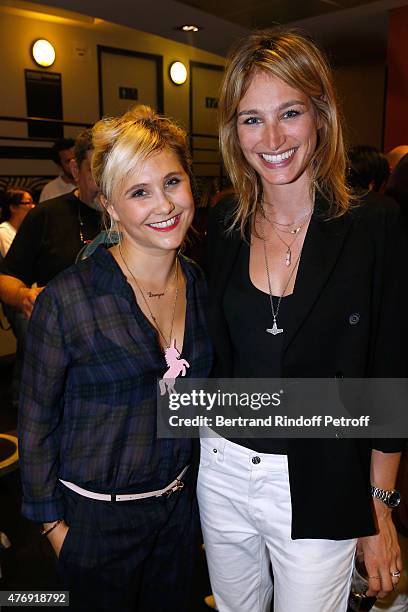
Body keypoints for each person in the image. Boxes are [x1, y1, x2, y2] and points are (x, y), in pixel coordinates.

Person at [198, 28, 407, 612]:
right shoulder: (224, 223)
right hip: (223, 466)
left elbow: (388, 374)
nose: (271, 139)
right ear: (233, 130)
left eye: (289, 113)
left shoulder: (374, 226)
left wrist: (378, 504)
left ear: (321, 115)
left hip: (322, 474)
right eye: (251, 119)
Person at [18, 105, 213, 612]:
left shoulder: (198, 284)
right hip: (95, 525)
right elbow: (35, 420)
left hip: (176, 518)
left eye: (173, 181)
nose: (164, 204)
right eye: (139, 191)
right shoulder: (70, 298)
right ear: (110, 205)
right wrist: (55, 529)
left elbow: (199, 405)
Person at [0, 128, 101, 319]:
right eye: (97, 171)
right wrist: (24, 296)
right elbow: (6, 278)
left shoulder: (135, 213)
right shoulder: (46, 215)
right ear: (75, 170)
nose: (108, 183)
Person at [0, 189, 35, 258]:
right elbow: (14, 260)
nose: (33, 206)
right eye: (28, 203)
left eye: (33, 202)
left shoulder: (28, 230)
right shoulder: (3, 231)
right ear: (13, 207)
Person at [39, 138, 76, 203]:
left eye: (76, 158)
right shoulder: (50, 190)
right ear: (59, 166)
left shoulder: (91, 183)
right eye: (68, 161)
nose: (74, 164)